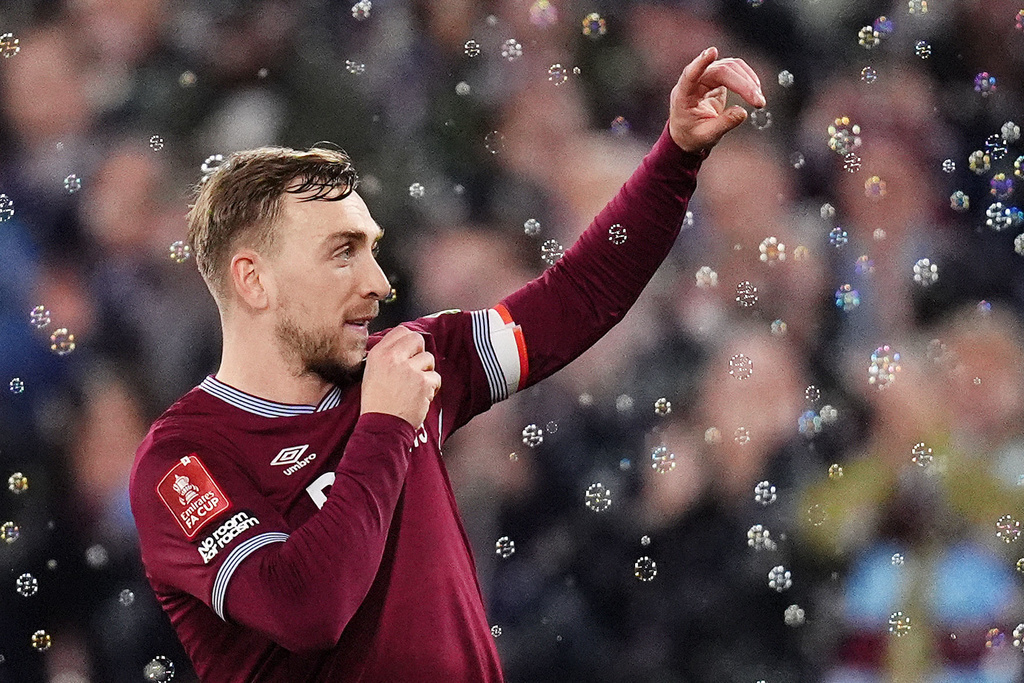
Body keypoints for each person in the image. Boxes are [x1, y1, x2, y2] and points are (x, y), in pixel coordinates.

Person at [128, 47, 765, 682]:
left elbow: (582, 295)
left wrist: (676, 156)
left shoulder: (413, 360)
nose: (379, 281)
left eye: (373, 250)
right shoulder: (182, 461)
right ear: (254, 281)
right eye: (342, 253)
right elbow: (305, 607)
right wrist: (384, 427)